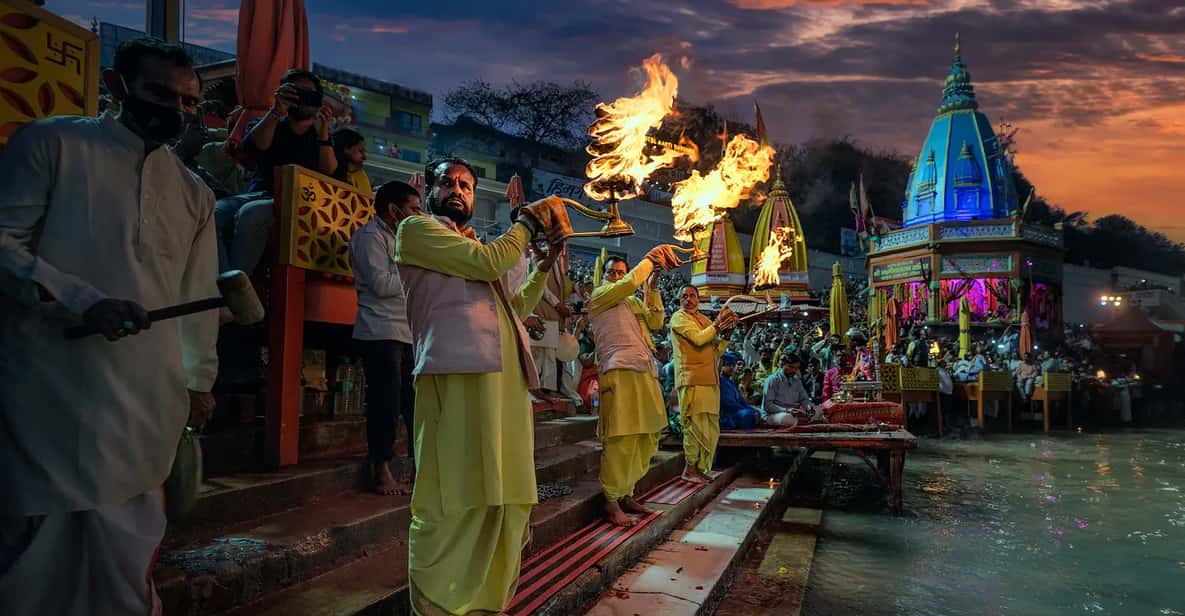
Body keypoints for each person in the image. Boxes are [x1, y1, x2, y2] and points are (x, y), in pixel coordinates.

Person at [0, 38, 219, 615]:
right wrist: (80, 299)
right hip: (50, 379)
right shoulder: (52, 143)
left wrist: (198, 382)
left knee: (127, 546)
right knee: (36, 554)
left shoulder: (195, 194)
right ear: (117, 88)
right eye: (158, 94)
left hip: (147, 394)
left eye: (189, 102)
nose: (175, 110)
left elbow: (199, 298)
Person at [395, 157, 569, 615]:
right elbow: (488, 261)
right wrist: (528, 223)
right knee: (452, 498)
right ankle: (435, 607)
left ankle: (485, 606)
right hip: (454, 379)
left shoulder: (478, 247)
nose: (458, 191)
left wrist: (543, 266)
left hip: (504, 386)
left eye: (467, 186)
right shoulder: (416, 230)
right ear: (429, 190)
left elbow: (514, 307)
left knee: (504, 499)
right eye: (448, 183)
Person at [587, 249, 679, 526]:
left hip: (645, 370)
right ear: (604, 276)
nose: (616, 277)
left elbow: (656, 321)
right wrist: (648, 260)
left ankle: (627, 492)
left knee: (647, 435)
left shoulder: (633, 302)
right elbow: (628, 283)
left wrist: (652, 287)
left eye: (620, 272)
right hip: (618, 371)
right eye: (612, 273)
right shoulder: (600, 296)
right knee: (621, 438)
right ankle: (611, 501)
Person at [214, 68, 338, 274]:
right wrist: (275, 111)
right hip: (260, 193)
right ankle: (226, 286)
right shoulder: (269, 123)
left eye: (311, 94)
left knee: (251, 213)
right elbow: (257, 146)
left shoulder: (322, 137)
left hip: (299, 204)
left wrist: (323, 133)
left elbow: (329, 172)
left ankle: (234, 292)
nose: (304, 98)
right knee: (214, 212)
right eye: (297, 92)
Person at [350, 181, 423, 495]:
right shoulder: (370, 238)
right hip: (380, 331)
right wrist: (414, 273)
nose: (419, 216)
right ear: (394, 211)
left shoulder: (406, 239)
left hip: (408, 333)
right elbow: (380, 284)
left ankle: (420, 469)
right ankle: (380, 470)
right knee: (386, 404)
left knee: (415, 406)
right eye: (413, 209)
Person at [669, 285, 738, 483]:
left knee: (709, 427)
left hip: (710, 381)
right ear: (679, 299)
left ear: (698, 299)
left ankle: (700, 468)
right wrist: (718, 324)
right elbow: (699, 340)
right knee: (694, 425)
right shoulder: (679, 318)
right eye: (684, 296)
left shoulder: (704, 320)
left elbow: (715, 351)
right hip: (691, 380)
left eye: (692, 296)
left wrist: (727, 335)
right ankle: (689, 468)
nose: (688, 299)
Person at [763, 355, 819, 426]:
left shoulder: (796, 381)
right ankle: (806, 421)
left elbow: (804, 399)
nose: (794, 370)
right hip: (775, 414)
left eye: (796, 368)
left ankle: (805, 420)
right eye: (791, 367)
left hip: (795, 412)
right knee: (785, 418)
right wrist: (787, 410)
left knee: (818, 410)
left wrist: (809, 409)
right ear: (783, 365)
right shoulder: (772, 380)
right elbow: (768, 406)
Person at [719, 352, 760, 430]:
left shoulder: (731, 382)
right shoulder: (720, 381)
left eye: (733, 365)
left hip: (736, 411)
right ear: (722, 366)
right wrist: (747, 410)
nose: (731, 368)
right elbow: (728, 403)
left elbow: (742, 401)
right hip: (726, 415)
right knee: (747, 415)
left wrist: (754, 410)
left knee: (757, 412)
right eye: (728, 365)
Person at [332, 128, 373, 194]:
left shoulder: (359, 173)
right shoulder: (330, 169)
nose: (364, 157)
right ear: (346, 148)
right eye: (360, 151)